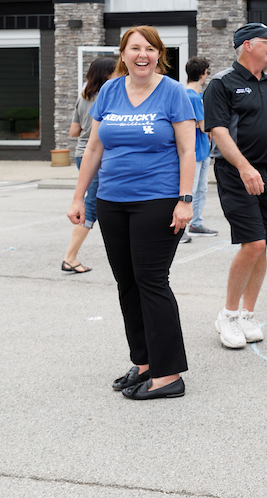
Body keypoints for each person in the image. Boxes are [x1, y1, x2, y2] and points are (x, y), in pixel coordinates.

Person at [66, 26, 195, 400]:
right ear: (123, 54)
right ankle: (143, 363)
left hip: (158, 200)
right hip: (111, 200)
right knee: (127, 283)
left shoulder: (173, 92)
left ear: (159, 55)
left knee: (151, 281)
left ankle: (168, 374)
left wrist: (185, 200)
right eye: (134, 48)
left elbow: (188, 151)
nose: (143, 54)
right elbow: (93, 150)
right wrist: (79, 197)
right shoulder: (109, 90)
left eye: (150, 49)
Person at [204, 23, 267, 350]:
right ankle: (228, 315)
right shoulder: (221, 84)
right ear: (247, 45)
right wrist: (244, 168)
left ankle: (247, 314)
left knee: (265, 244)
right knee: (253, 244)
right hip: (237, 174)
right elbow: (218, 131)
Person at [62, 55, 116, 273]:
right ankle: (70, 257)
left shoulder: (83, 97)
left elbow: (73, 131)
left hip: (80, 154)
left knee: (95, 202)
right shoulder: (110, 97)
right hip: (97, 156)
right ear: (107, 75)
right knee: (91, 206)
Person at [183, 56, 217, 240]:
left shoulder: (192, 95)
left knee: (200, 188)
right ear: (203, 74)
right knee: (193, 188)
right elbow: (204, 126)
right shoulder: (193, 97)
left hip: (201, 148)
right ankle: (186, 226)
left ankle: (196, 222)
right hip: (195, 149)